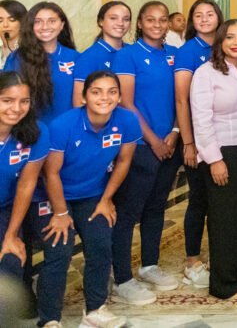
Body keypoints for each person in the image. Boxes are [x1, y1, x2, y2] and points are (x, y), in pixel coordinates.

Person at [35, 70, 139, 328]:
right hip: (53, 194)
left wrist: (106, 199)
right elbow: (51, 173)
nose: (105, 97)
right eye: (96, 92)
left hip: (92, 194)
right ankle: (49, 320)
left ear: (119, 96)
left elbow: (124, 161)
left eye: (112, 92)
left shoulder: (127, 120)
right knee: (60, 248)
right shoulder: (63, 125)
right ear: (83, 98)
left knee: (101, 242)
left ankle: (95, 310)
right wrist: (60, 214)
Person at [110, 1, 182, 304]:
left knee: (156, 207)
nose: (157, 24)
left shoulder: (175, 55)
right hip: (140, 146)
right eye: (150, 19)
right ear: (140, 23)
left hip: (170, 144)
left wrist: (175, 133)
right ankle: (122, 278)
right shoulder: (127, 55)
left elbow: (183, 98)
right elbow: (126, 102)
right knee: (129, 211)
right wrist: (153, 140)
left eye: (162, 19)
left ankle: (149, 265)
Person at [190, 19, 237, 300]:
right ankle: (225, 283)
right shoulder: (205, 73)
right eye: (231, 36)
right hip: (223, 151)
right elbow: (202, 119)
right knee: (224, 218)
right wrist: (214, 159)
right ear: (220, 40)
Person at [172, 0, 223, 289]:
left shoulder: (226, 44)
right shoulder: (188, 51)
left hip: (225, 137)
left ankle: (221, 253)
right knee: (199, 200)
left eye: (210, 14)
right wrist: (188, 142)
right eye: (198, 15)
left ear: (219, 17)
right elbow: (182, 99)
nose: (204, 19)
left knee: (219, 200)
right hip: (198, 137)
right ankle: (192, 259)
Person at [0, 72, 48, 281]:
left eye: (24, 101)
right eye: (7, 100)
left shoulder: (37, 132)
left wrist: (10, 235)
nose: (16, 108)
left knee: (11, 261)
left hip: (5, 208)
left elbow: (26, 184)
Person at [3, 2, 78, 124]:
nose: (45, 26)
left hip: (67, 130)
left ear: (61, 25)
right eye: (38, 21)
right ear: (31, 26)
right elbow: (7, 97)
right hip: (30, 131)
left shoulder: (75, 57)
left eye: (52, 21)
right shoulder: (17, 57)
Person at [73, 1, 131, 104]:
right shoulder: (88, 57)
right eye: (113, 18)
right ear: (101, 21)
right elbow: (78, 103)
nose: (121, 23)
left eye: (126, 19)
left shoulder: (133, 52)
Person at [0, 0, 26, 70]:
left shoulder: (33, 52)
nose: (5, 25)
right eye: (0, 21)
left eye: (12, 19)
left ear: (22, 21)